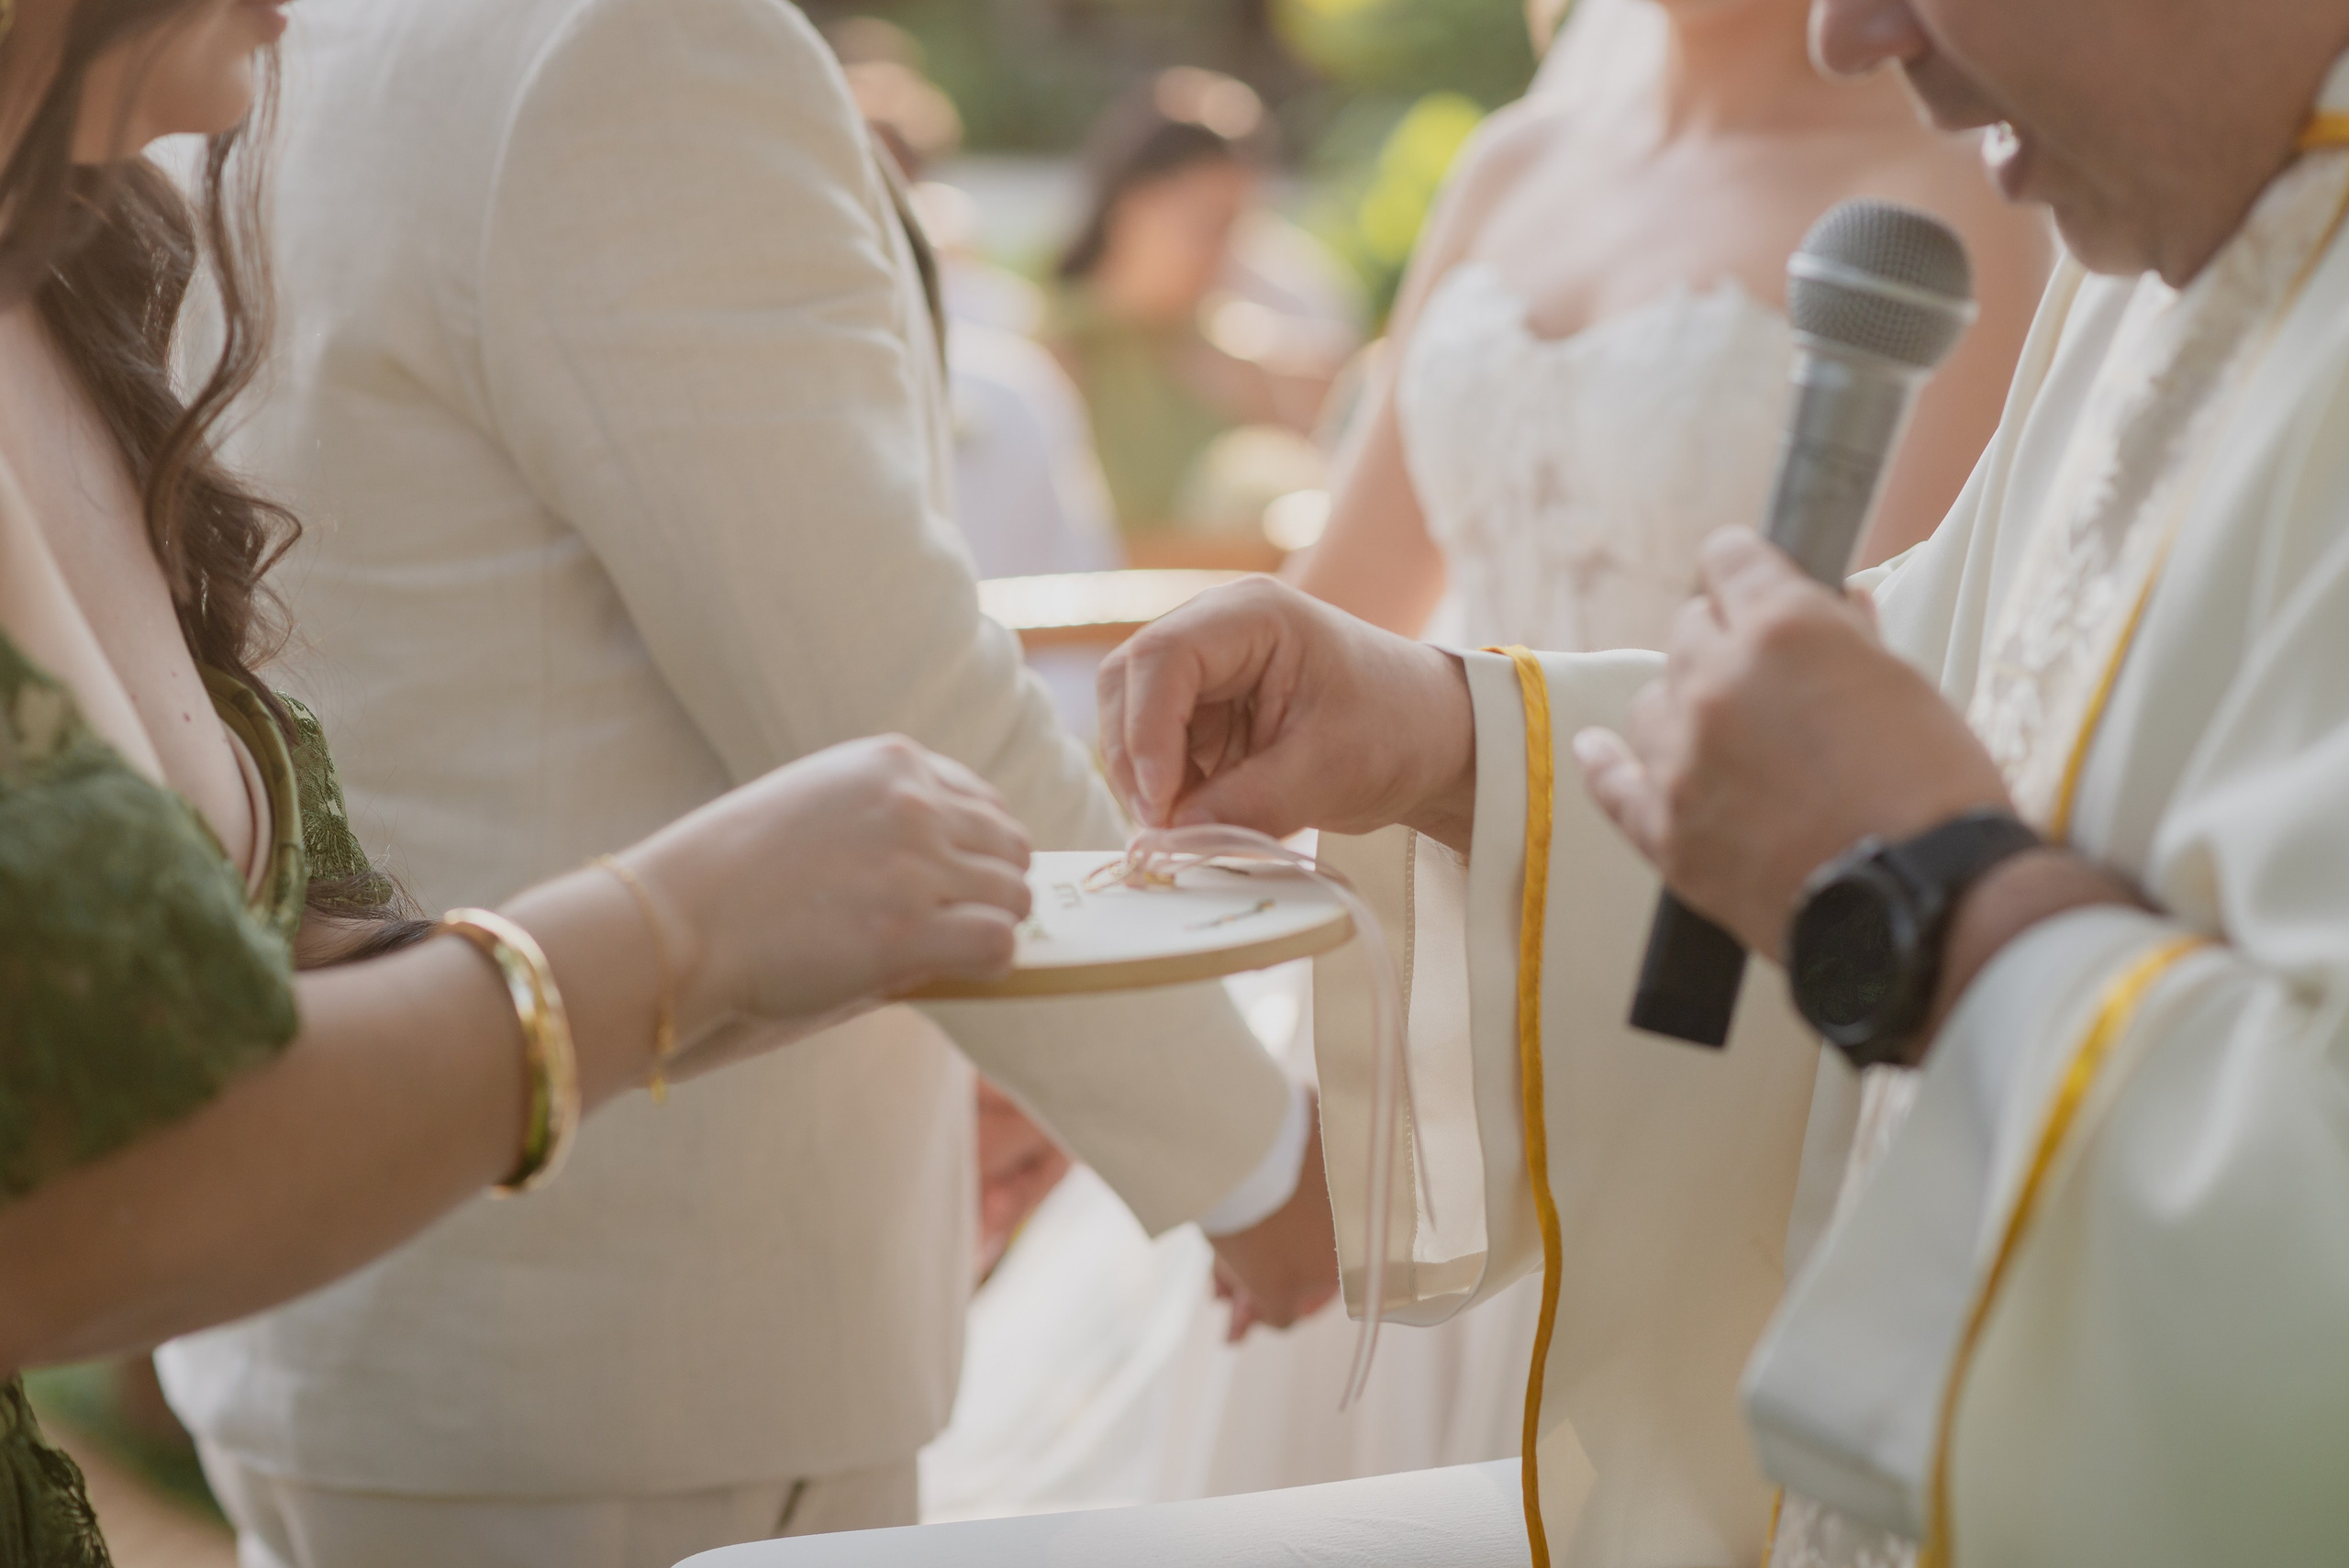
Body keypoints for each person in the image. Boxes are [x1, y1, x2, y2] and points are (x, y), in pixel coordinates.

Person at [729, 0, 2349, 1562]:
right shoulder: (2153, 250)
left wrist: (1932, 889)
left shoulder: (2078, 199)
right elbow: (1923, 683)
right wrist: (1440, 730)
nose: (1854, 27)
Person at [148, 4, 1338, 1566]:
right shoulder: (632, 44)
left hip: (354, 1273)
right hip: (638, 1348)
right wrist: (1254, 1153)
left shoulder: (294, 33)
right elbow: (887, 691)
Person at [0, 2, 1036, 1562]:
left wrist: (803, 946)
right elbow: (67, 1209)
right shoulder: (611, 50)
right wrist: (672, 931)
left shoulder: (69, 273)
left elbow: (292, 949)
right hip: (571, 1397)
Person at [1048, 68, 1356, 548]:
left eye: (1236, 228)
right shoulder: (1053, 351)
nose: (1224, 252)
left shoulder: (1240, 346)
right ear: (1134, 205)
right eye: (1207, 223)